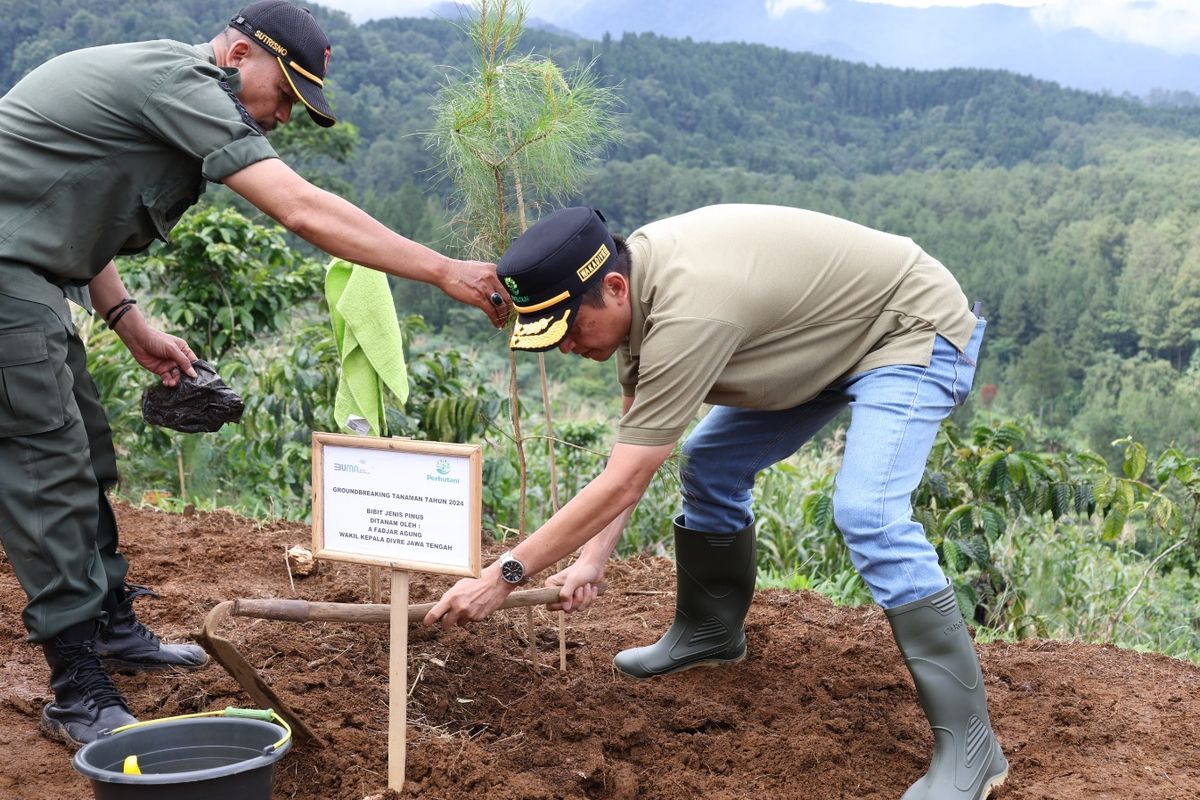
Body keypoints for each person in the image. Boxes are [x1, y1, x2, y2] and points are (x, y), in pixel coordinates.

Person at [0, 0, 507, 747]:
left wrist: (129, 321)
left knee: (87, 454)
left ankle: (110, 629)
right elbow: (299, 210)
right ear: (239, 57)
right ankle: (77, 687)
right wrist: (442, 271)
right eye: (287, 94)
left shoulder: (169, 85)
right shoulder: (185, 82)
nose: (285, 117)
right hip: (11, 278)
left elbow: (70, 211)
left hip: (32, 273)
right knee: (46, 469)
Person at [424, 205, 1008, 799]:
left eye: (570, 329)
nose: (569, 347)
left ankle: (973, 751)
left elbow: (624, 480)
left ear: (614, 287)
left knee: (869, 514)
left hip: (907, 326)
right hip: (820, 340)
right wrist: (593, 558)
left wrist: (505, 576)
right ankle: (710, 633)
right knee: (710, 463)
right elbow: (635, 451)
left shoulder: (686, 309)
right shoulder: (629, 305)